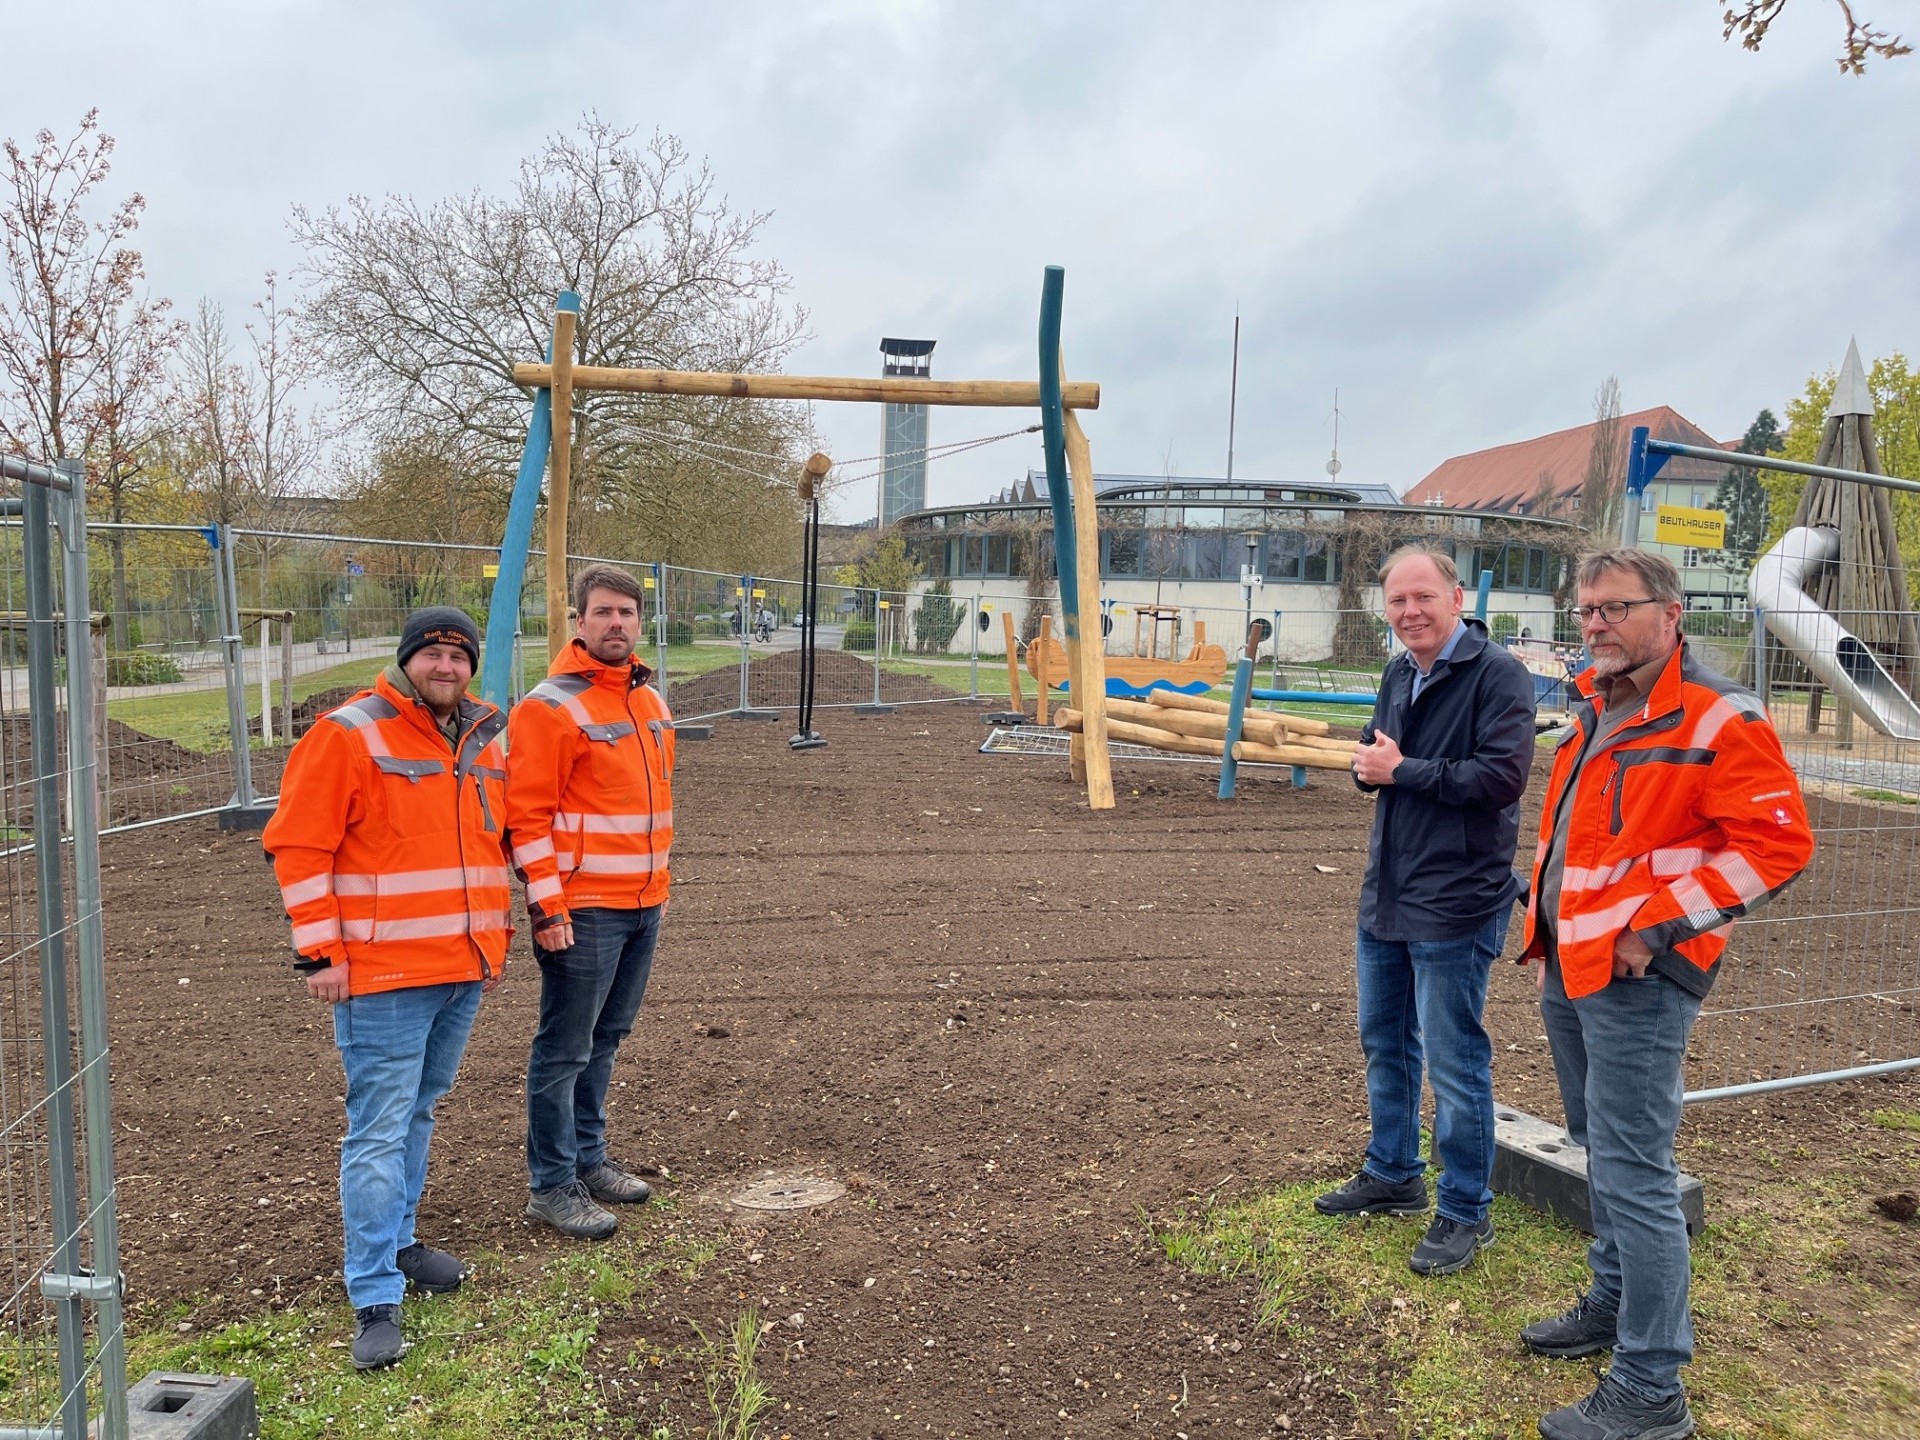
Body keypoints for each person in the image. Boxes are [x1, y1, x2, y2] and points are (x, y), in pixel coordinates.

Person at [1519, 549, 1812, 1440]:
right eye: (1586, 610)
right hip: (1574, 968)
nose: (1594, 624)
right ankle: (1613, 1302)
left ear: (1671, 612)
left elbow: (1777, 846)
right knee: (1598, 1152)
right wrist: (1546, 932)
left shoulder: (1719, 717)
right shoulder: (1591, 716)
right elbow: (1580, 846)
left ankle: (1651, 1391)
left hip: (1640, 980)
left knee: (1638, 1175)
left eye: (1613, 608)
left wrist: (1654, 928)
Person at [263, 607, 510, 1371]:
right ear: (407, 660)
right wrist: (319, 954)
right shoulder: (349, 734)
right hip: (383, 975)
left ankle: (399, 1246)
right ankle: (373, 1293)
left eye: (458, 655)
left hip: (462, 966)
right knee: (376, 1130)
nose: (446, 666)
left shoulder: (482, 738)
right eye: (432, 653)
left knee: (418, 1113)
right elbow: (299, 846)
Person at [1315, 545, 1537, 1277]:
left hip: (1459, 898)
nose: (1410, 611)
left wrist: (1399, 771)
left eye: (1423, 597)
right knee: (1385, 1040)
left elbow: (1502, 779)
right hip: (1389, 888)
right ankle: (1394, 1173)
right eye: (1397, 602)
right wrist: (1368, 767)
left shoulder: (1498, 675)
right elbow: (1379, 760)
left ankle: (1466, 1210)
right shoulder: (1397, 671)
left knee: (1455, 1059)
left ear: (1457, 595)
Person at [508, 564, 676, 1240]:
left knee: (605, 1039)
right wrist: (548, 909)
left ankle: (588, 1158)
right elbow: (526, 819)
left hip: (644, 902)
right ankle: (551, 1184)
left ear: (639, 623)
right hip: (583, 909)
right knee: (564, 1049)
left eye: (627, 614)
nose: (616, 624)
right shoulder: (550, 707)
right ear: (579, 622)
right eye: (603, 612)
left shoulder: (650, 702)